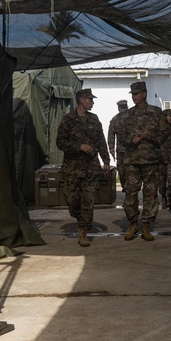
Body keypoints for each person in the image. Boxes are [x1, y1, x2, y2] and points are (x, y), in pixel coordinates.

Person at [113, 81, 169, 242]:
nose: (133, 97)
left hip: (151, 160)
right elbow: (121, 135)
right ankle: (132, 223)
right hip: (132, 161)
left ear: (144, 94)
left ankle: (146, 226)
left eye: (136, 94)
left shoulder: (156, 113)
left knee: (150, 194)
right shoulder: (126, 115)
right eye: (132, 94)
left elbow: (165, 134)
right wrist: (133, 138)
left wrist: (148, 135)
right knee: (130, 194)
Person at [56, 88, 110, 247]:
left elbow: (101, 141)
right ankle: (80, 219)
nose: (92, 102)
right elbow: (60, 143)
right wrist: (78, 146)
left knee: (88, 201)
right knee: (72, 201)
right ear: (81, 100)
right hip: (72, 169)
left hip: (91, 169)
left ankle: (83, 231)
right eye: (90, 99)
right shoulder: (68, 120)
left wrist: (106, 161)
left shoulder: (94, 119)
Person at [159, 108, 171, 209]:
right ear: (165, 117)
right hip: (161, 158)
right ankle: (163, 196)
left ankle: (170, 198)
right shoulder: (159, 129)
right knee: (161, 180)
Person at [108, 99, 129, 170]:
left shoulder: (115, 119)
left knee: (122, 171)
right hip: (132, 149)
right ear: (127, 107)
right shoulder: (133, 116)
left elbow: (111, 136)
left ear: (118, 108)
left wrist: (111, 149)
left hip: (122, 150)